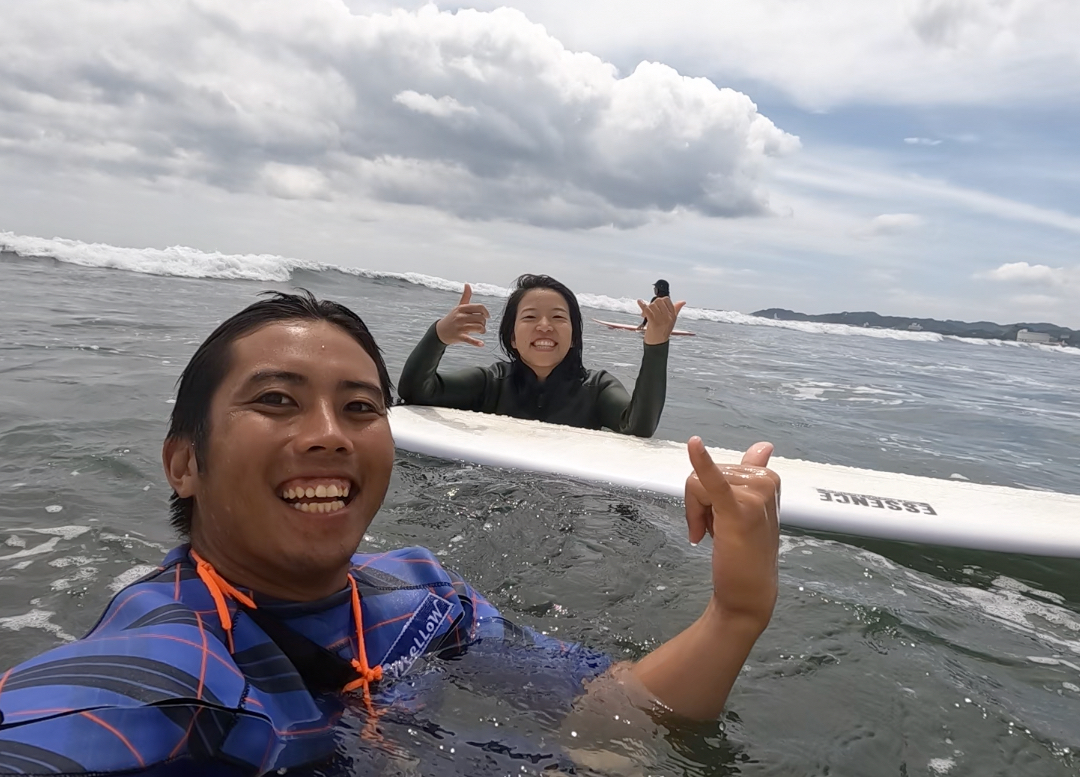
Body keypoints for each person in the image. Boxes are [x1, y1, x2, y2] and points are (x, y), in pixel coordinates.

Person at [0, 291, 779, 776]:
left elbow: (620, 708)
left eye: (361, 409)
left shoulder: (422, 592)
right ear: (184, 464)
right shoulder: (163, 673)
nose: (331, 434)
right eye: (277, 400)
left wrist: (736, 611)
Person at [398, 274, 686, 438]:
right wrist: (438, 335)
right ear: (512, 336)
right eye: (530, 316)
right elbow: (415, 392)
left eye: (558, 317)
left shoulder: (597, 389)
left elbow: (637, 427)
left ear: (574, 336)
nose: (545, 325)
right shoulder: (491, 383)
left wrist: (656, 345)